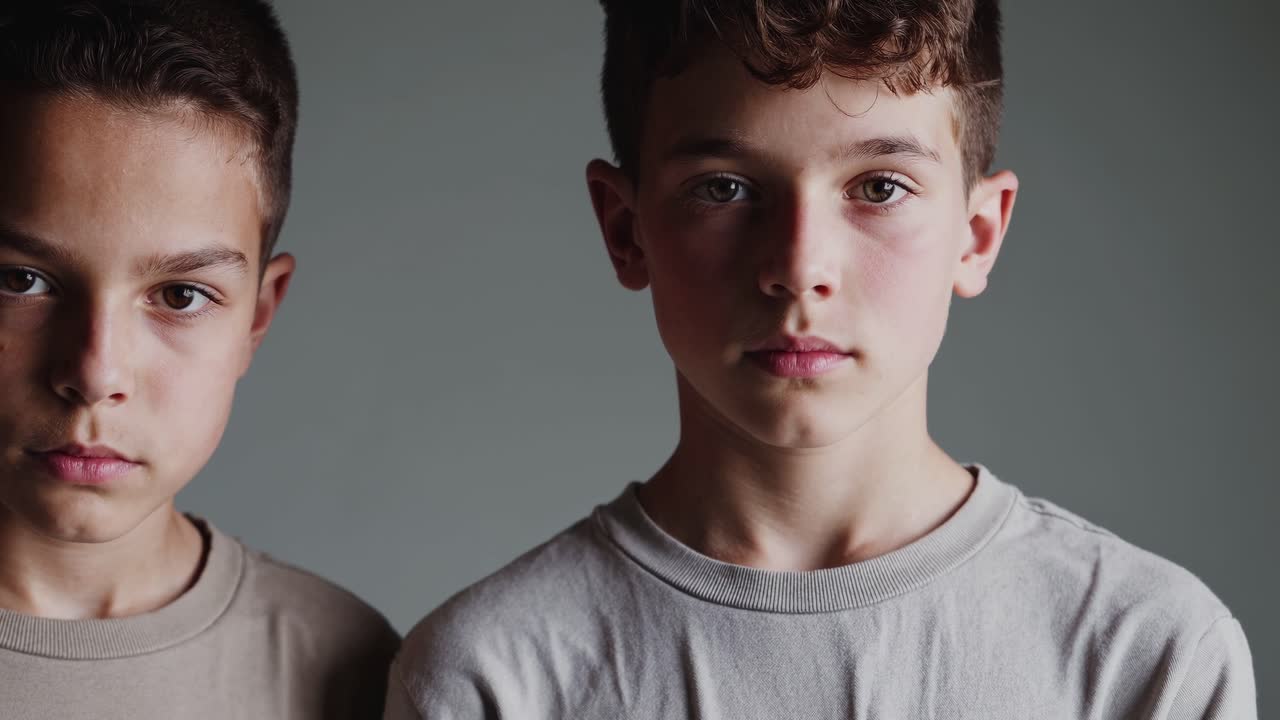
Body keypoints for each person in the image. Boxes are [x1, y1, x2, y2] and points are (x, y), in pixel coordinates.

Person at [386, 1, 1256, 717]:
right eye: (724, 189)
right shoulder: (494, 676)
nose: (800, 267)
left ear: (977, 234)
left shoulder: (1146, 654)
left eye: (880, 187)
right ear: (625, 228)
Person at [0, 2, 398, 717]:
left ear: (258, 314)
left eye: (180, 295)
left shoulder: (347, 669)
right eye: (21, 280)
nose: (95, 374)